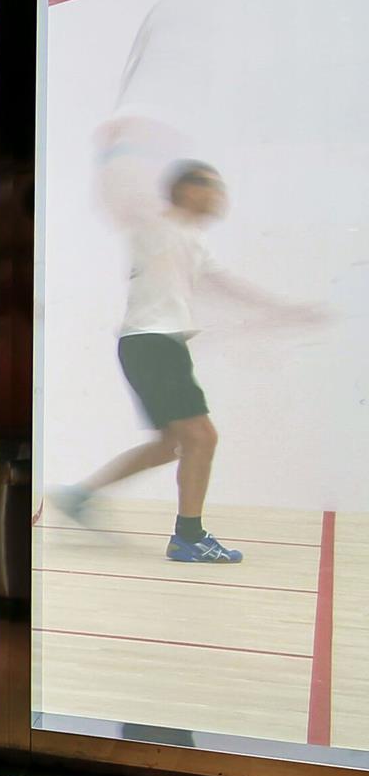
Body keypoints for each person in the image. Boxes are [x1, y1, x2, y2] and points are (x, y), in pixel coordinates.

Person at [52, 161, 321, 562]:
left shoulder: (192, 240)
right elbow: (122, 199)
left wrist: (282, 310)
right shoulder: (156, 228)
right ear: (187, 190)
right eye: (212, 187)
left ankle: (81, 496)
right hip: (152, 344)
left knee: (170, 446)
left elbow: (224, 285)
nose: (220, 196)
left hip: (157, 346)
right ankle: (189, 537)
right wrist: (118, 148)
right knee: (202, 438)